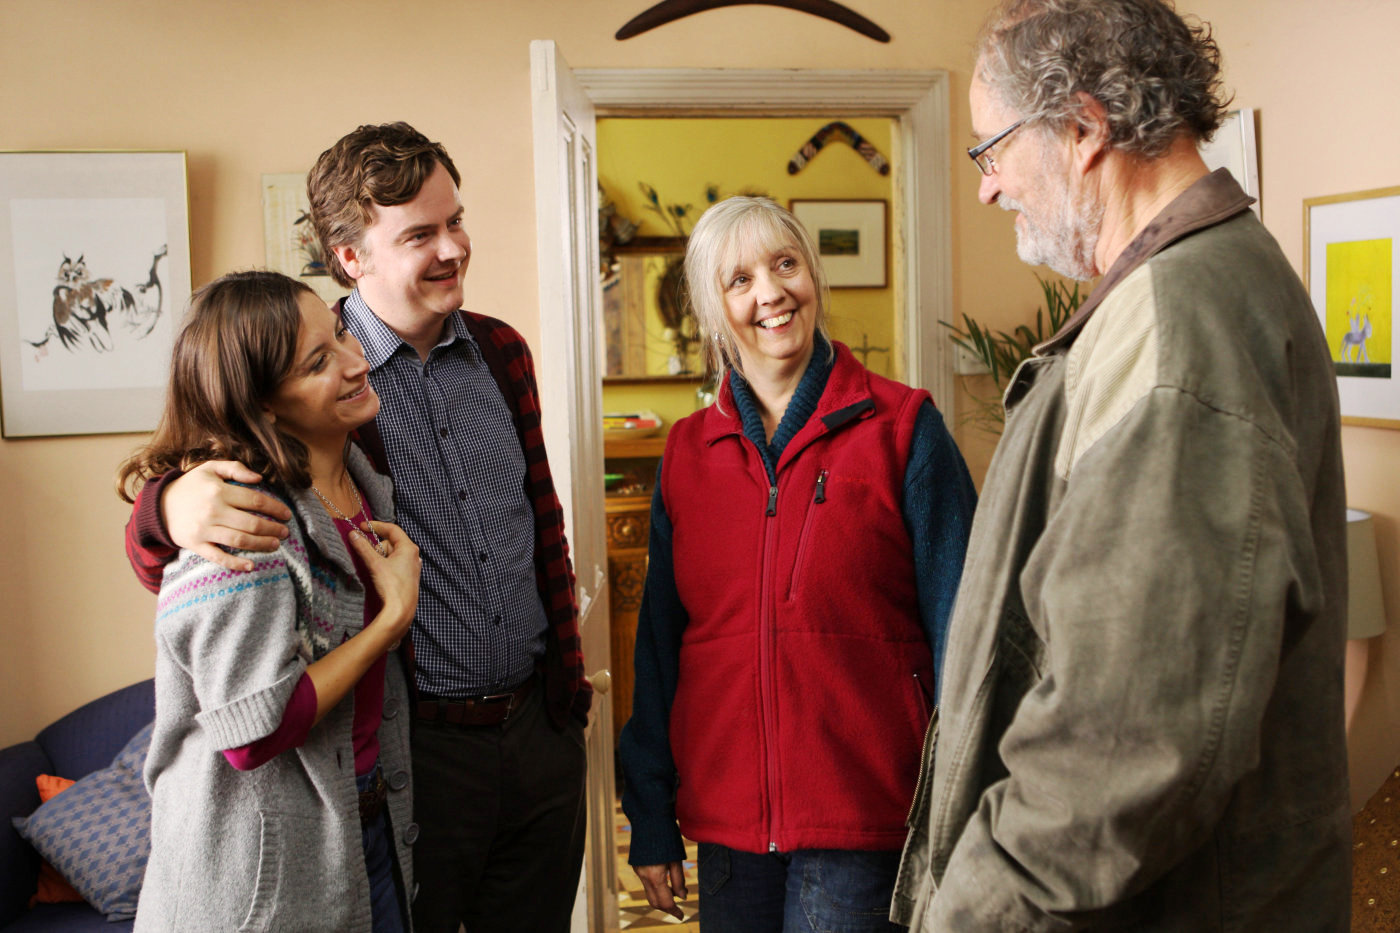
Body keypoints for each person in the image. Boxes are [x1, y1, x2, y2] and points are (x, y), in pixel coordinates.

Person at [891, 1, 1351, 929]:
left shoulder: (1178, 323)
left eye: (992, 150)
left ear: (1084, 127)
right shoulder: (1191, 286)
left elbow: (1126, 742)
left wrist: (970, 915)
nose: (987, 187)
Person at [123, 123, 591, 933]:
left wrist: (568, 700)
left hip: (539, 732)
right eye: (420, 234)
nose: (453, 247)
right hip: (426, 758)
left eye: (456, 220)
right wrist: (165, 508)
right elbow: (195, 518)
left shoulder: (504, 351)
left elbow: (541, 525)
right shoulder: (311, 385)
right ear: (351, 257)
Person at [619, 196, 977, 931]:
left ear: (814, 275)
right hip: (729, 829)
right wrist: (651, 815)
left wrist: (964, 808)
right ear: (714, 310)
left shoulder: (905, 428)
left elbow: (966, 632)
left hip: (863, 817)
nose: (771, 292)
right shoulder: (688, 453)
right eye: (740, 279)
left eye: (786, 264)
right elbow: (660, 648)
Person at [118, 271, 421, 931]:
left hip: (368, 823)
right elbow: (252, 731)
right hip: (256, 880)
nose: (354, 359)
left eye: (340, 333)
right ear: (265, 406)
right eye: (318, 362)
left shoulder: (364, 483)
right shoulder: (241, 523)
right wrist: (390, 622)